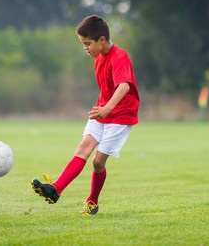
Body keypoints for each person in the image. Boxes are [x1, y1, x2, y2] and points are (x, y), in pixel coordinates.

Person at [31, 15, 140, 215]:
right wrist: (103, 108)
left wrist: (108, 108)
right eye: (83, 44)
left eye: (87, 43)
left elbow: (124, 85)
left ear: (102, 40)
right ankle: (55, 190)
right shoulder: (98, 58)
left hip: (121, 116)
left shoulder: (120, 56)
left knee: (98, 162)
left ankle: (92, 201)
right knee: (83, 148)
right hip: (102, 111)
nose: (85, 48)